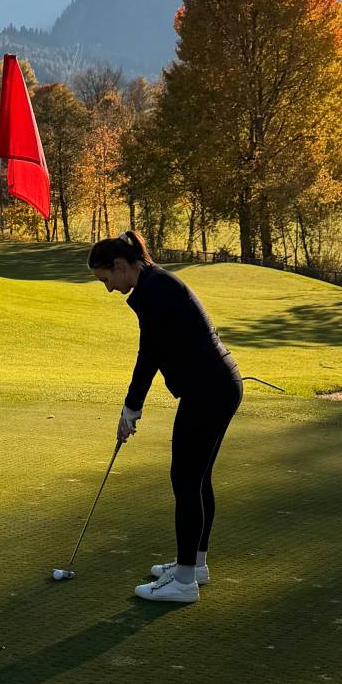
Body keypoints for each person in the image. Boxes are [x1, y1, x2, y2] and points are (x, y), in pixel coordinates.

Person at [87, 229, 243, 604]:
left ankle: (185, 583)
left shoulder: (154, 291)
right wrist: (132, 408)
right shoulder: (155, 285)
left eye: (107, 279)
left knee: (185, 480)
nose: (109, 289)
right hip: (216, 386)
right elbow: (155, 353)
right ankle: (195, 566)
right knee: (197, 478)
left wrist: (131, 410)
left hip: (209, 390)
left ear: (121, 266)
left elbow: (149, 357)